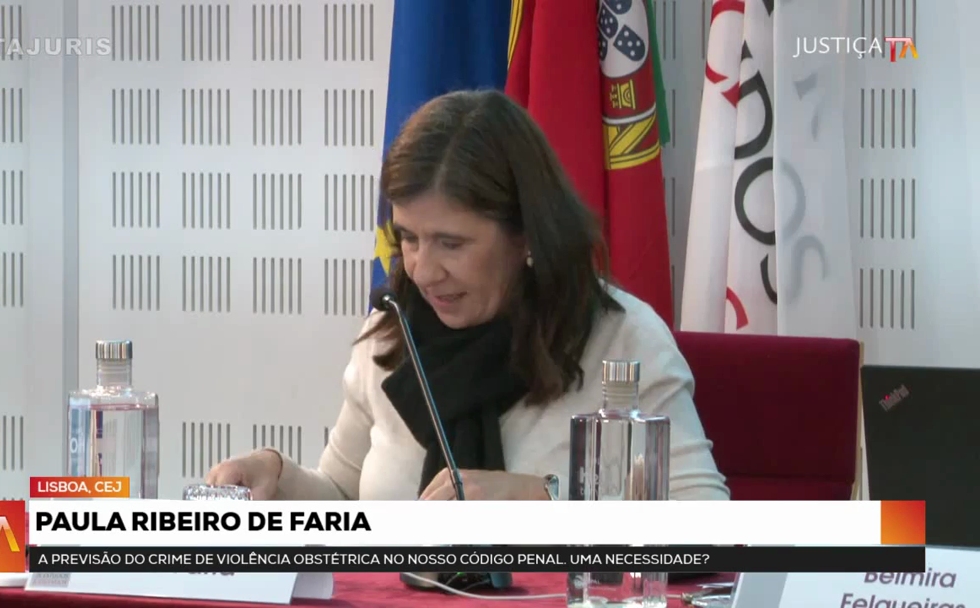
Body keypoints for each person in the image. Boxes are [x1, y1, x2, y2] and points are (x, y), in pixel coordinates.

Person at [207, 90, 729, 502]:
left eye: (451, 243)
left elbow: (708, 526)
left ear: (526, 236)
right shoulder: (390, 335)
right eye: (408, 238)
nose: (421, 270)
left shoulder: (622, 340)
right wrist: (276, 474)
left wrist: (542, 501)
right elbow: (346, 497)